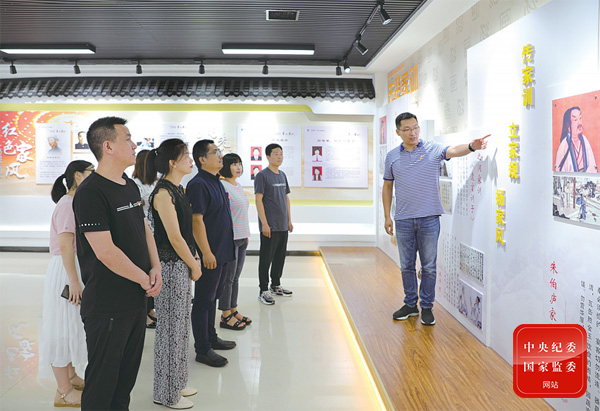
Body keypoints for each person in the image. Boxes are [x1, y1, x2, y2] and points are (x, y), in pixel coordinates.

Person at [73, 116, 162, 410]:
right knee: (102, 386)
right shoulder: (90, 192)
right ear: (108, 146)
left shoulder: (129, 185)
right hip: (107, 305)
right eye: (128, 139)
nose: (135, 145)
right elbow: (105, 252)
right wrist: (143, 278)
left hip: (136, 300)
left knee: (124, 384)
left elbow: (143, 228)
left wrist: (156, 267)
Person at [382, 112, 489, 326]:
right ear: (398, 132)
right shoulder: (392, 156)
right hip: (403, 220)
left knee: (429, 266)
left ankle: (427, 307)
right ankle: (410, 305)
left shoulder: (432, 149)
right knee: (406, 266)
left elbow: (453, 150)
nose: (412, 133)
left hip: (429, 219)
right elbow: (387, 186)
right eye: (407, 129)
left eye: (415, 127)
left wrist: (471, 146)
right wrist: (387, 216)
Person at [146, 139, 200, 409]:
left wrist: (193, 259)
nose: (191, 160)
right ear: (172, 162)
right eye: (186, 155)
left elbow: (185, 235)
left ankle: (178, 382)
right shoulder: (163, 193)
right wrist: (195, 264)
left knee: (180, 328)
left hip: (180, 265)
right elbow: (174, 238)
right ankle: (165, 393)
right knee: (169, 331)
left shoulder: (178, 189)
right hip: (169, 266)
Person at [40, 160, 93, 408]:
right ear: (78, 176)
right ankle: (63, 391)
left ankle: (71, 377)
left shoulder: (74, 202)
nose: (94, 176)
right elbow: (65, 244)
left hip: (72, 268)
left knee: (70, 323)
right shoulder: (67, 204)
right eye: (91, 172)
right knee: (61, 327)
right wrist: (73, 281)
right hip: (65, 270)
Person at [186, 140, 236, 368]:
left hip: (223, 251)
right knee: (203, 300)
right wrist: (205, 252)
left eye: (220, 152)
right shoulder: (198, 185)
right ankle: (203, 349)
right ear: (202, 159)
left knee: (213, 297)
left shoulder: (217, 181)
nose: (220, 156)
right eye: (215, 152)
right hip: (210, 253)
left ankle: (211, 337)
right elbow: (196, 221)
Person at [255, 143, 294, 305]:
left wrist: (289, 220)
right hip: (269, 226)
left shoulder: (282, 175)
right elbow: (258, 200)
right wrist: (264, 223)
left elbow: (286, 198)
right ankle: (263, 290)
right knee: (266, 258)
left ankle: (275, 285)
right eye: (276, 154)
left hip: (282, 224)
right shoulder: (262, 175)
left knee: (279, 257)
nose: (279, 156)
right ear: (268, 157)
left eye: (281, 154)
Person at [219, 153, 252, 330]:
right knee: (228, 279)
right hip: (230, 239)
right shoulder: (222, 185)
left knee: (236, 278)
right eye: (233, 164)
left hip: (241, 238)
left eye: (239, 163)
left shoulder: (237, 185)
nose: (238, 167)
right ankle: (225, 315)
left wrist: (245, 235)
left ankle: (233, 309)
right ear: (226, 167)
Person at [132, 149, 159, 329]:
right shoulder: (135, 184)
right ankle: (144, 313)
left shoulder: (155, 183)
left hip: (156, 233)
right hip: (143, 233)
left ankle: (150, 309)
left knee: (154, 273)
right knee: (145, 272)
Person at [554, 106, 598, 173]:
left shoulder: (585, 140)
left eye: (580, 118)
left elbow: (592, 165)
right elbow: (560, 171)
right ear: (568, 126)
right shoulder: (563, 147)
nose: (579, 123)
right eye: (575, 120)